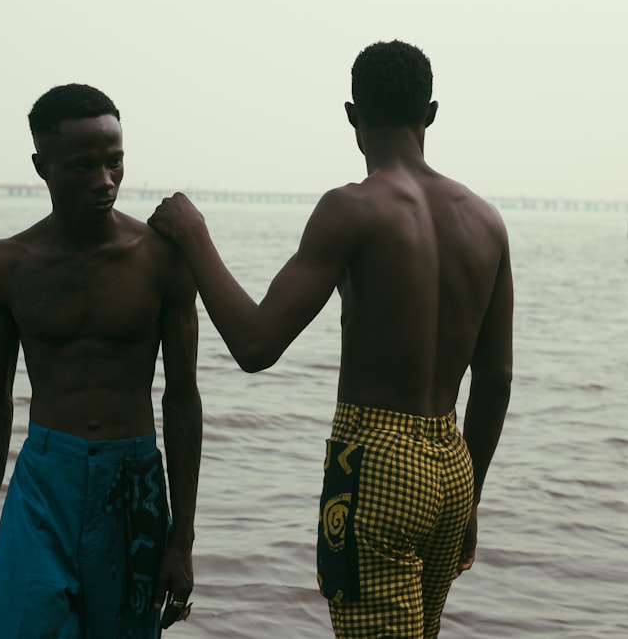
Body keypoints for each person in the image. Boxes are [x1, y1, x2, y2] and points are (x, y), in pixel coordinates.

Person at [148, 41, 513, 638]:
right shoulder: (486, 219)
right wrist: (470, 494)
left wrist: (195, 236)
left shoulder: (352, 208)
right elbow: (495, 379)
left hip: (376, 464)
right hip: (453, 465)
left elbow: (256, 344)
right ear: (432, 112)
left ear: (352, 115)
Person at [0, 84, 203, 638]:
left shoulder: (163, 260)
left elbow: (183, 398)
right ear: (42, 166)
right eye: (83, 167)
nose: (105, 182)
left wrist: (182, 540)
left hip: (134, 479)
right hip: (45, 479)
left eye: (115, 162)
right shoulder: (5, 265)